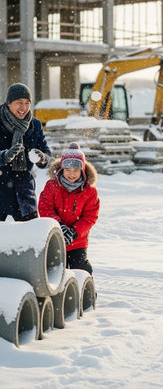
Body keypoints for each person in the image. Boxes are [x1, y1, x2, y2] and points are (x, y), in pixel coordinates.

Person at [38, 142, 100, 274]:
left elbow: (90, 216)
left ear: (82, 170)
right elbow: (45, 207)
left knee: (81, 269)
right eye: (68, 170)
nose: (71, 174)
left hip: (78, 241)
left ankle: (85, 291)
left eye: (76, 170)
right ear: (61, 169)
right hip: (56, 238)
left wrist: (75, 232)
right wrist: (59, 226)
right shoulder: (52, 186)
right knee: (57, 271)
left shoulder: (89, 191)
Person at [0, 83, 51, 221]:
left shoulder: (35, 125)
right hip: (1, 192)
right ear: (9, 103)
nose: (24, 108)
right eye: (19, 103)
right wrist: (4, 156)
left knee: (29, 240)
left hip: (25, 196)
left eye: (27, 103)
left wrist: (42, 157)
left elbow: (47, 155)